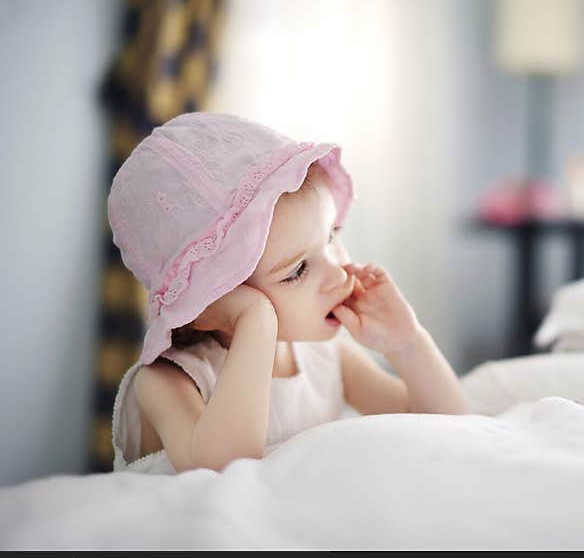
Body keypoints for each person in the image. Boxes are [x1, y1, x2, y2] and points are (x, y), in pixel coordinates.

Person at [107, 112, 466, 475]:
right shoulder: (169, 380)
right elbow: (224, 474)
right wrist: (256, 320)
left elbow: (444, 426)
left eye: (331, 237)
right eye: (297, 271)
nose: (337, 273)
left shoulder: (325, 357)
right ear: (207, 304)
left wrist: (407, 344)